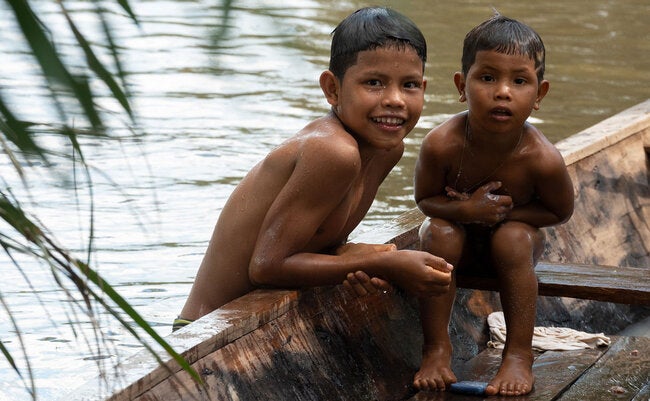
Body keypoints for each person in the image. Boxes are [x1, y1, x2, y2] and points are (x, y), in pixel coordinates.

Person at [175, 7, 453, 332]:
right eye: (374, 83)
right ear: (332, 89)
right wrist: (384, 262)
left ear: (424, 87)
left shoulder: (386, 150)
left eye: (409, 86)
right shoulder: (332, 150)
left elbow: (314, 244)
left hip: (271, 324)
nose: (395, 99)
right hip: (206, 330)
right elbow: (266, 267)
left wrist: (347, 258)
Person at [412, 13, 574, 397]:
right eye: (487, 77)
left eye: (519, 81)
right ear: (461, 86)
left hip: (513, 251)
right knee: (439, 231)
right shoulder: (441, 143)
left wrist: (502, 215)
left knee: (513, 239)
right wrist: (468, 212)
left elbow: (558, 212)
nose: (503, 92)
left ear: (539, 95)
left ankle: (518, 353)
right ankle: (436, 348)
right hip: (457, 244)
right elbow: (425, 200)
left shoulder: (542, 158)